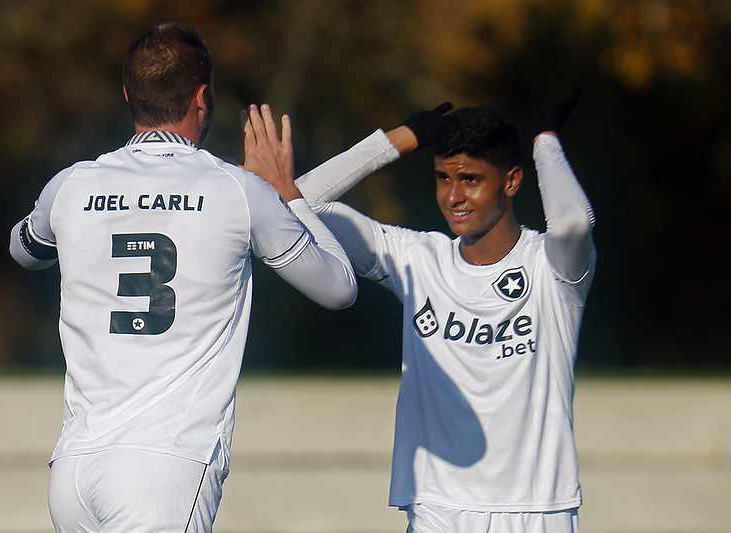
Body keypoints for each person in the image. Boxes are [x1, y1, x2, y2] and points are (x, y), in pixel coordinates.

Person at [9, 23, 357, 532]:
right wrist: (287, 193)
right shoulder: (239, 190)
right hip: (165, 465)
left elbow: (24, 251)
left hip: (74, 468)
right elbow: (339, 287)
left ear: (128, 95)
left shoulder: (71, 184)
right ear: (201, 97)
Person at [246, 89, 594, 532]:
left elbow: (574, 223)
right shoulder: (417, 258)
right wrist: (399, 139)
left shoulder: (553, 268)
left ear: (511, 181)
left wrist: (544, 141)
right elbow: (301, 202)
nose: (453, 196)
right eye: (443, 177)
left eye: (470, 179)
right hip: (437, 509)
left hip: (537, 510)